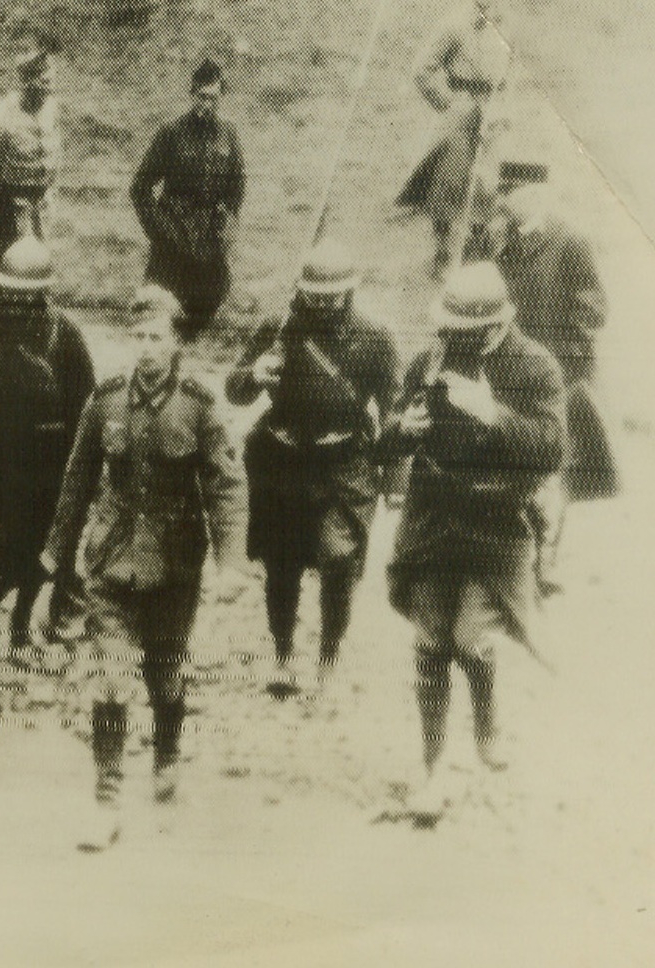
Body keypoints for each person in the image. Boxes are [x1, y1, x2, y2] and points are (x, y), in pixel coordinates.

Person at [41, 285, 247, 850]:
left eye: (156, 337)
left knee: (166, 676)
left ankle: (166, 755)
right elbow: (77, 480)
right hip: (110, 562)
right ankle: (105, 800)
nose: (146, 348)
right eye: (139, 337)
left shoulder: (199, 406)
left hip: (174, 565)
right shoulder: (105, 400)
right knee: (109, 682)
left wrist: (231, 562)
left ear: (176, 342)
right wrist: (54, 554)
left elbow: (226, 487)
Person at [380, 262, 565, 823]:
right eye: (446, 330)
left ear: (492, 328)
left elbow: (551, 448)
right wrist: (401, 431)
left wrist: (492, 414)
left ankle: (486, 727)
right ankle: (433, 764)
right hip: (435, 521)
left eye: (462, 333)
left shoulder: (534, 366)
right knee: (430, 642)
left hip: (497, 526)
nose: (449, 342)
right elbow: (385, 445)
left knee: (469, 637)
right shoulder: (430, 360)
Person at [0, 236, 95, 733]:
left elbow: (85, 408)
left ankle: (23, 627)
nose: (20, 303)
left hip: (41, 474)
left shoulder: (64, 337)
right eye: (11, 291)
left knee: (35, 561)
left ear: (45, 293)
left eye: (31, 294)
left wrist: (79, 468)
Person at [226, 241, 398, 693]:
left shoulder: (375, 337)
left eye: (332, 296)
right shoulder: (277, 327)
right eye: (314, 295)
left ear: (351, 291)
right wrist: (254, 375)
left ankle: (328, 655)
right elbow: (235, 390)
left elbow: (394, 410)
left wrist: (395, 480)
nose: (322, 304)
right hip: (281, 463)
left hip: (343, 466)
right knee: (282, 566)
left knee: (339, 559)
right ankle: (283, 656)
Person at [491, 177, 616, 593]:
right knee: (515, 463)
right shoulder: (501, 241)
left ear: (536, 195)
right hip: (512, 373)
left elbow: (596, 306)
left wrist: (564, 348)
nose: (505, 203)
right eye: (503, 196)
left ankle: (542, 566)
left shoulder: (571, 241)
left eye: (512, 195)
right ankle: (516, 559)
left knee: (554, 471)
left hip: (562, 376)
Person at [131, 58, 245, 338]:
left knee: (210, 296)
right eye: (202, 97)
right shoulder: (171, 133)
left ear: (221, 98)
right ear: (192, 94)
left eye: (214, 99)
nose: (207, 105)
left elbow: (238, 184)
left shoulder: (229, 135)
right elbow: (140, 188)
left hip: (207, 239)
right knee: (157, 308)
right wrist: (161, 230)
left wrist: (226, 223)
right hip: (173, 236)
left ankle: (185, 346)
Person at [397, 1, 510, 274]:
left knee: (488, 180)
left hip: (491, 109)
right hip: (461, 106)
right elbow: (423, 70)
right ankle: (442, 249)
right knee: (449, 178)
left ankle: (478, 250)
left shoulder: (504, 25)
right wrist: (448, 102)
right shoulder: (454, 26)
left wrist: (502, 108)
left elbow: (508, 71)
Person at [0, 41, 60, 253]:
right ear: (26, 82)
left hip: (43, 204)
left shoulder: (51, 108)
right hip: (9, 205)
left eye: (49, 78)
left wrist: (51, 191)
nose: (46, 87)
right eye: (40, 79)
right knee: (14, 262)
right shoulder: (1, 114)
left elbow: (55, 151)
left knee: (41, 263)